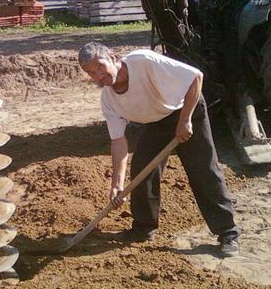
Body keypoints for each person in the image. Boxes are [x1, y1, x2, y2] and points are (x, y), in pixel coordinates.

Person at [78, 42, 240, 257]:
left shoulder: (144, 61)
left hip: (186, 108)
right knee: (142, 170)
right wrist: (117, 185)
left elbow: (195, 77)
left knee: (203, 170)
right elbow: (118, 141)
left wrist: (184, 121)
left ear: (112, 56)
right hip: (156, 121)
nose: (98, 76)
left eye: (99, 67)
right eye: (91, 73)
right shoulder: (109, 100)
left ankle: (228, 232)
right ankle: (143, 228)